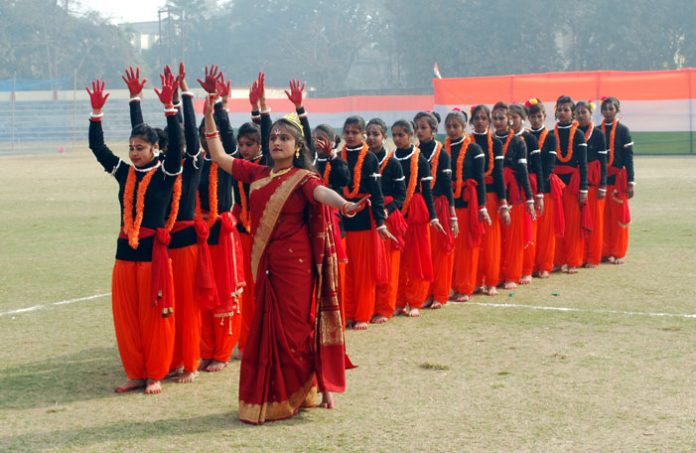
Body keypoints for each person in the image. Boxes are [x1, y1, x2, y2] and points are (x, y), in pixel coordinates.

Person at [203, 81, 365, 424]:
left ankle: (308, 388)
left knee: (296, 330)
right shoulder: (258, 173)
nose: (277, 142)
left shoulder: (302, 178)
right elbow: (219, 156)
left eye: (284, 138)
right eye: (274, 138)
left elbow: (322, 194)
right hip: (266, 264)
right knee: (265, 329)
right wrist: (209, 113)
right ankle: (275, 394)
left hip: (296, 266)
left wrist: (345, 205)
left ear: (297, 145)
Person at [87, 74, 182, 394]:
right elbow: (97, 147)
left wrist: (170, 108)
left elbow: (177, 147)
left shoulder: (167, 173)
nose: (134, 152)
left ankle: (155, 373)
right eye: (131, 147)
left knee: (155, 316)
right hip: (125, 253)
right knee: (127, 317)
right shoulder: (125, 173)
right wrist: (96, 114)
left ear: (155, 148)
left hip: (154, 255)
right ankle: (136, 372)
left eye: (140, 148)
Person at [196, 67, 246, 372]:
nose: (207, 138)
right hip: (201, 234)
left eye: (209, 133)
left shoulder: (226, 162)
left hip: (222, 233)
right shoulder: (194, 164)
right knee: (204, 293)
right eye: (203, 134)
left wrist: (216, 104)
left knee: (225, 293)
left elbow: (227, 138)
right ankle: (205, 349)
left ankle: (223, 352)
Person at [340, 115, 392, 330]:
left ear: (362, 134)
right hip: (343, 221)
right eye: (347, 132)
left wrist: (380, 223)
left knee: (363, 273)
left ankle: (363, 314)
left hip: (364, 221)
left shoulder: (369, 159)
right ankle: (348, 313)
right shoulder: (338, 157)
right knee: (346, 271)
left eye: (355, 132)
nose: (350, 136)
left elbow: (377, 194)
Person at [392, 119, 444, 317]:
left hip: (415, 213)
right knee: (398, 259)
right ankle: (398, 301)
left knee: (416, 259)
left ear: (411, 135)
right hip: (397, 213)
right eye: (394, 135)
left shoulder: (420, 160)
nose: (397, 139)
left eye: (401, 135)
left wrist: (433, 217)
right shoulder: (391, 158)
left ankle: (415, 301)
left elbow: (427, 192)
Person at [414, 111, 458, 309]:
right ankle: (425, 293)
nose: (419, 131)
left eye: (423, 128)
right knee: (425, 252)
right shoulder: (414, 151)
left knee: (440, 252)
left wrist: (453, 216)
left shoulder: (442, 153)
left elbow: (448, 186)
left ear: (433, 130)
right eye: (417, 128)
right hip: (421, 208)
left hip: (439, 206)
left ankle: (440, 294)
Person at [366, 117, 407, 322]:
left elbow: (401, 195)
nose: (371, 138)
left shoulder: (393, 163)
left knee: (388, 265)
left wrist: (385, 210)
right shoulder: (362, 160)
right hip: (366, 218)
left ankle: (384, 309)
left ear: (384, 136)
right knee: (370, 265)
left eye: (376, 134)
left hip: (388, 218)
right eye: (368, 134)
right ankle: (367, 307)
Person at [447, 109, 489, 302]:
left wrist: (482, 207)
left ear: (464, 127)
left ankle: (465, 287)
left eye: (456, 126)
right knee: (451, 248)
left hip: (468, 204)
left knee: (467, 248)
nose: (452, 130)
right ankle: (452, 286)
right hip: (449, 205)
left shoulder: (474, 149)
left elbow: (479, 180)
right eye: (449, 126)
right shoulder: (443, 149)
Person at [492, 102, 535, 289]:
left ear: (509, 118)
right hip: (495, 191)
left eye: (501, 117)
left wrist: (530, 198)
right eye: (495, 118)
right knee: (498, 237)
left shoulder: (518, 142)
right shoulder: (490, 141)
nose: (498, 121)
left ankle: (512, 275)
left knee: (513, 238)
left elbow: (523, 171)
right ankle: (497, 274)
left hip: (514, 192)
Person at [470, 105, 507, 295]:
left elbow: (498, 174)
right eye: (476, 118)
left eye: (483, 118)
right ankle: (475, 281)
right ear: (471, 121)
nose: (480, 121)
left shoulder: (496, 143)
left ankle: (492, 281)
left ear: (488, 121)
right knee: (474, 241)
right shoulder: (467, 142)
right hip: (471, 198)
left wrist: (503, 202)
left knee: (491, 242)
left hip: (491, 197)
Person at [552, 95, 589, 274]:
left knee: (573, 224)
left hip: (573, 184)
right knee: (557, 222)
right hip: (555, 184)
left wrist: (584, 188)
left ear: (572, 113)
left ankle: (573, 260)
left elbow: (583, 163)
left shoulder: (579, 134)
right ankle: (558, 260)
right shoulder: (551, 134)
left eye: (566, 110)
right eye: (559, 109)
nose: (562, 113)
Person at [526, 98, 560, 279]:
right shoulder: (525, 137)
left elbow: (549, 165)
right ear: (528, 118)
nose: (536, 120)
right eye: (533, 116)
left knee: (546, 231)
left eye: (539, 116)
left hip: (545, 189)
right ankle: (530, 265)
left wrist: (539, 185)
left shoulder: (551, 137)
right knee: (531, 229)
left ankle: (545, 265)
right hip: (528, 190)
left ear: (544, 116)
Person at [510, 103, 543, 285]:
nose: (511, 121)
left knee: (526, 231)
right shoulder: (501, 138)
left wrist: (538, 194)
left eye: (515, 117)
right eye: (509, 117)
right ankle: (508, 270)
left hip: (525, 188)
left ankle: (526, 269)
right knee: (509, 233)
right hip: (508, 190)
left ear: (523, 118)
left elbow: (537, 167)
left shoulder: (529, 139)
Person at [600, 96, 635, 264]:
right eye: (605, 109)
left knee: (617, 218)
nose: (608, 112)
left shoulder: (623, 131)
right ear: (601, 111)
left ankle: (617, 252)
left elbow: (629, 158)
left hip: (618, 182)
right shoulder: (597, 131)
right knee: (603, 218)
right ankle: (603, 251)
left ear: (617, 110)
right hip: (601, 181)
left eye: (611, 109)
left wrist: (631, 182)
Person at [576, 101, 607, 268]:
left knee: (594, 221)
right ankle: (578, 256)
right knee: (578, 222)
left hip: (594, 183)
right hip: (577, 182)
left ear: (590, 114)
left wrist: (603, 185)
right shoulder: (574, 132)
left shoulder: (598, 134)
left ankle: (593, 257)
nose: (581, 115)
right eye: (578, 113)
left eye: (584, 112)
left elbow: (603, 162)